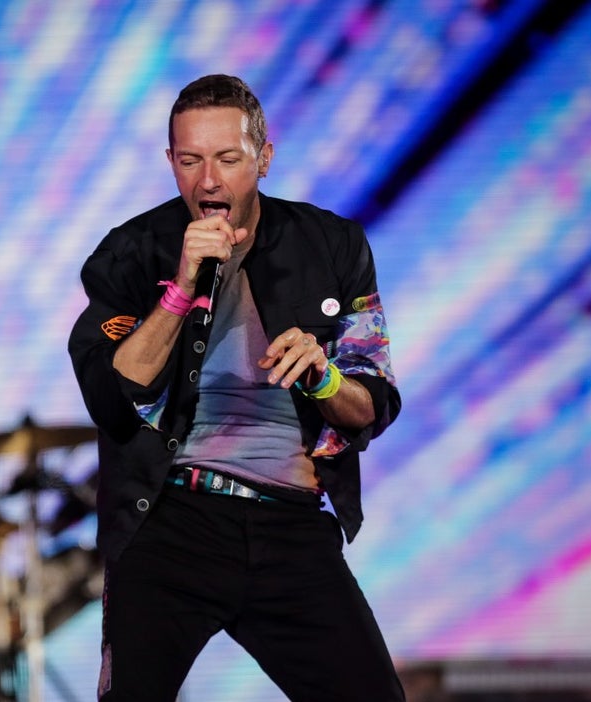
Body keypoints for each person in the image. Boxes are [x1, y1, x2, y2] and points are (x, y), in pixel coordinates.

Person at [67, 75, 405, 702]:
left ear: (264, 157)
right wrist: (180, 288)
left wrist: (324, 375)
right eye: (189, 161)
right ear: (170, 161)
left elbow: (371, 406)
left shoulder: (333, 245)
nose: (208, 181)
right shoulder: (130, 253)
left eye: (227, 159)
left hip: (291, 524)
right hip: (170, 520)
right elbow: (112, 398)